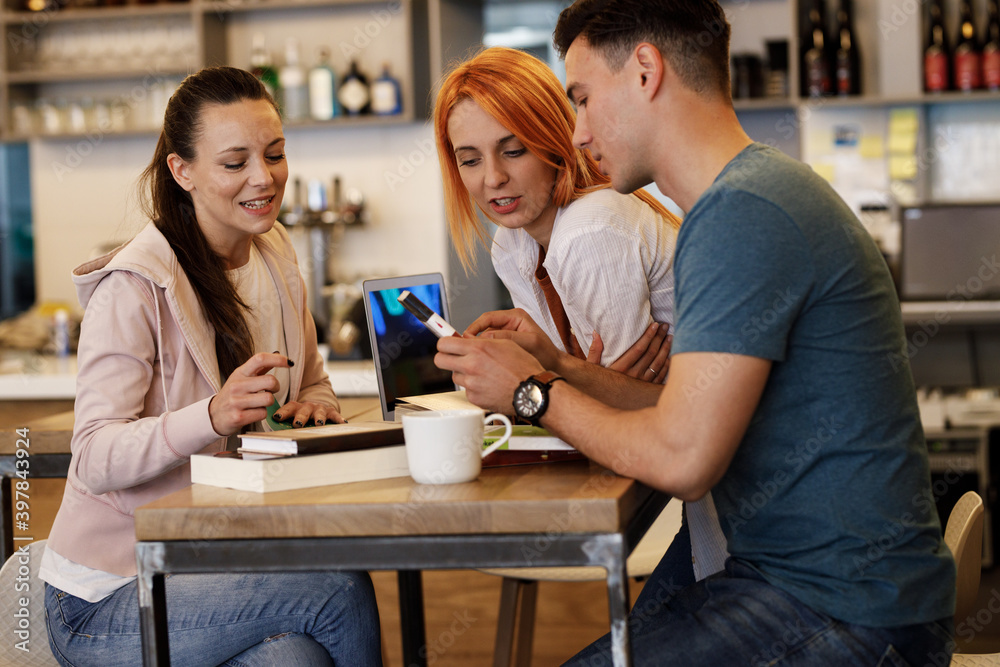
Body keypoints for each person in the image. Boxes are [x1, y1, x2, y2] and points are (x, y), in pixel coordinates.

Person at [433, 1, 957, 665]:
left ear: (646, 71)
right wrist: (560, 366)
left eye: (585, 99)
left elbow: (684, 459)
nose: (579, 130)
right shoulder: (749, 194)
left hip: (846, 612)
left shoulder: (741, 213)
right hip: (812, 586)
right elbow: (686, 411)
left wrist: (531, 392)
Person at [39, 67, 382, 666]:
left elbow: (313, 380)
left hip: (217, 565)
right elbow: (94, 457)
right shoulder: (134, 287)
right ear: (183, 171)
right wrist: (212, 415)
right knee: (336, 588)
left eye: (274, 154)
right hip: (110, 597)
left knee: (294, 660)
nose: (264, 177)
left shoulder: (275, 254)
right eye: (235, 162)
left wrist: (317, 406)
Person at [434, 45, 728, 583]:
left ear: (554, 140)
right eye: (470, 158)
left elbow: (619, 430)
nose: (492, 178)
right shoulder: (515, 246)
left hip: (719, 489)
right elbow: (579, 400)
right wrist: (574, 383)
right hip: (697, 491)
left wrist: (556, 385)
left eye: (514, 149)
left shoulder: (590, 228)